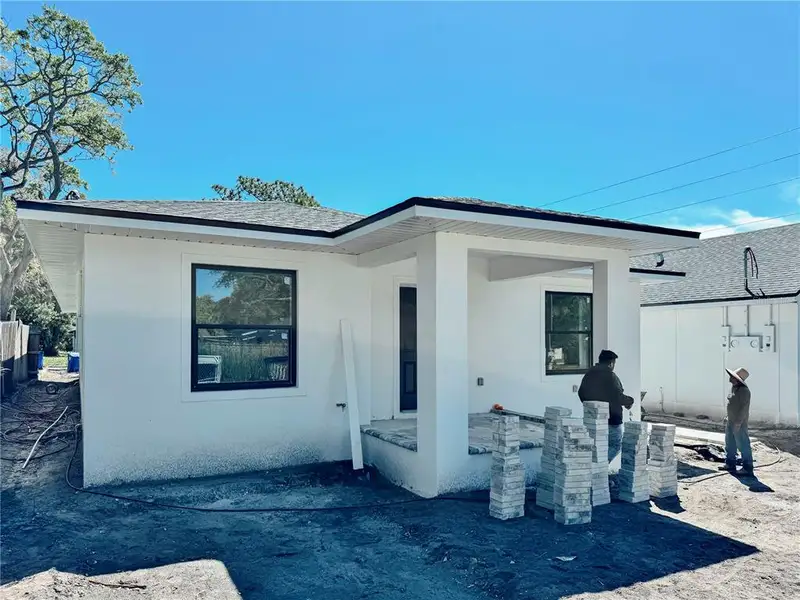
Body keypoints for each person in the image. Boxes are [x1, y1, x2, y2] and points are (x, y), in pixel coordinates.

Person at [578, 349, 635, 463]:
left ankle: (596, 468)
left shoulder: (589, 374)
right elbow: (617, 397)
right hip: (612, 420)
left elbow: (581, 393)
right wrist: (630, 401)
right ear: (611, 363)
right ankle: (600, 466)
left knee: (596, 447)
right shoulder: (610, 376)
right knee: (615, 446)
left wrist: (592, 407)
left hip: (593, 420)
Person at [720, 367, 753, 476]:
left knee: (743, 444)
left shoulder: (744, 391)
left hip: (739, 423)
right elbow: (732, 404)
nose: (730, 378)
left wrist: (738, 422)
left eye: (733, 377)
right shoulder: (734, 388)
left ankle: (747, 468)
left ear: (738, 379)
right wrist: (727, 417)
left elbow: (744, 408)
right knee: (730, 443)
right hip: (731, 421)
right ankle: (730, 463)